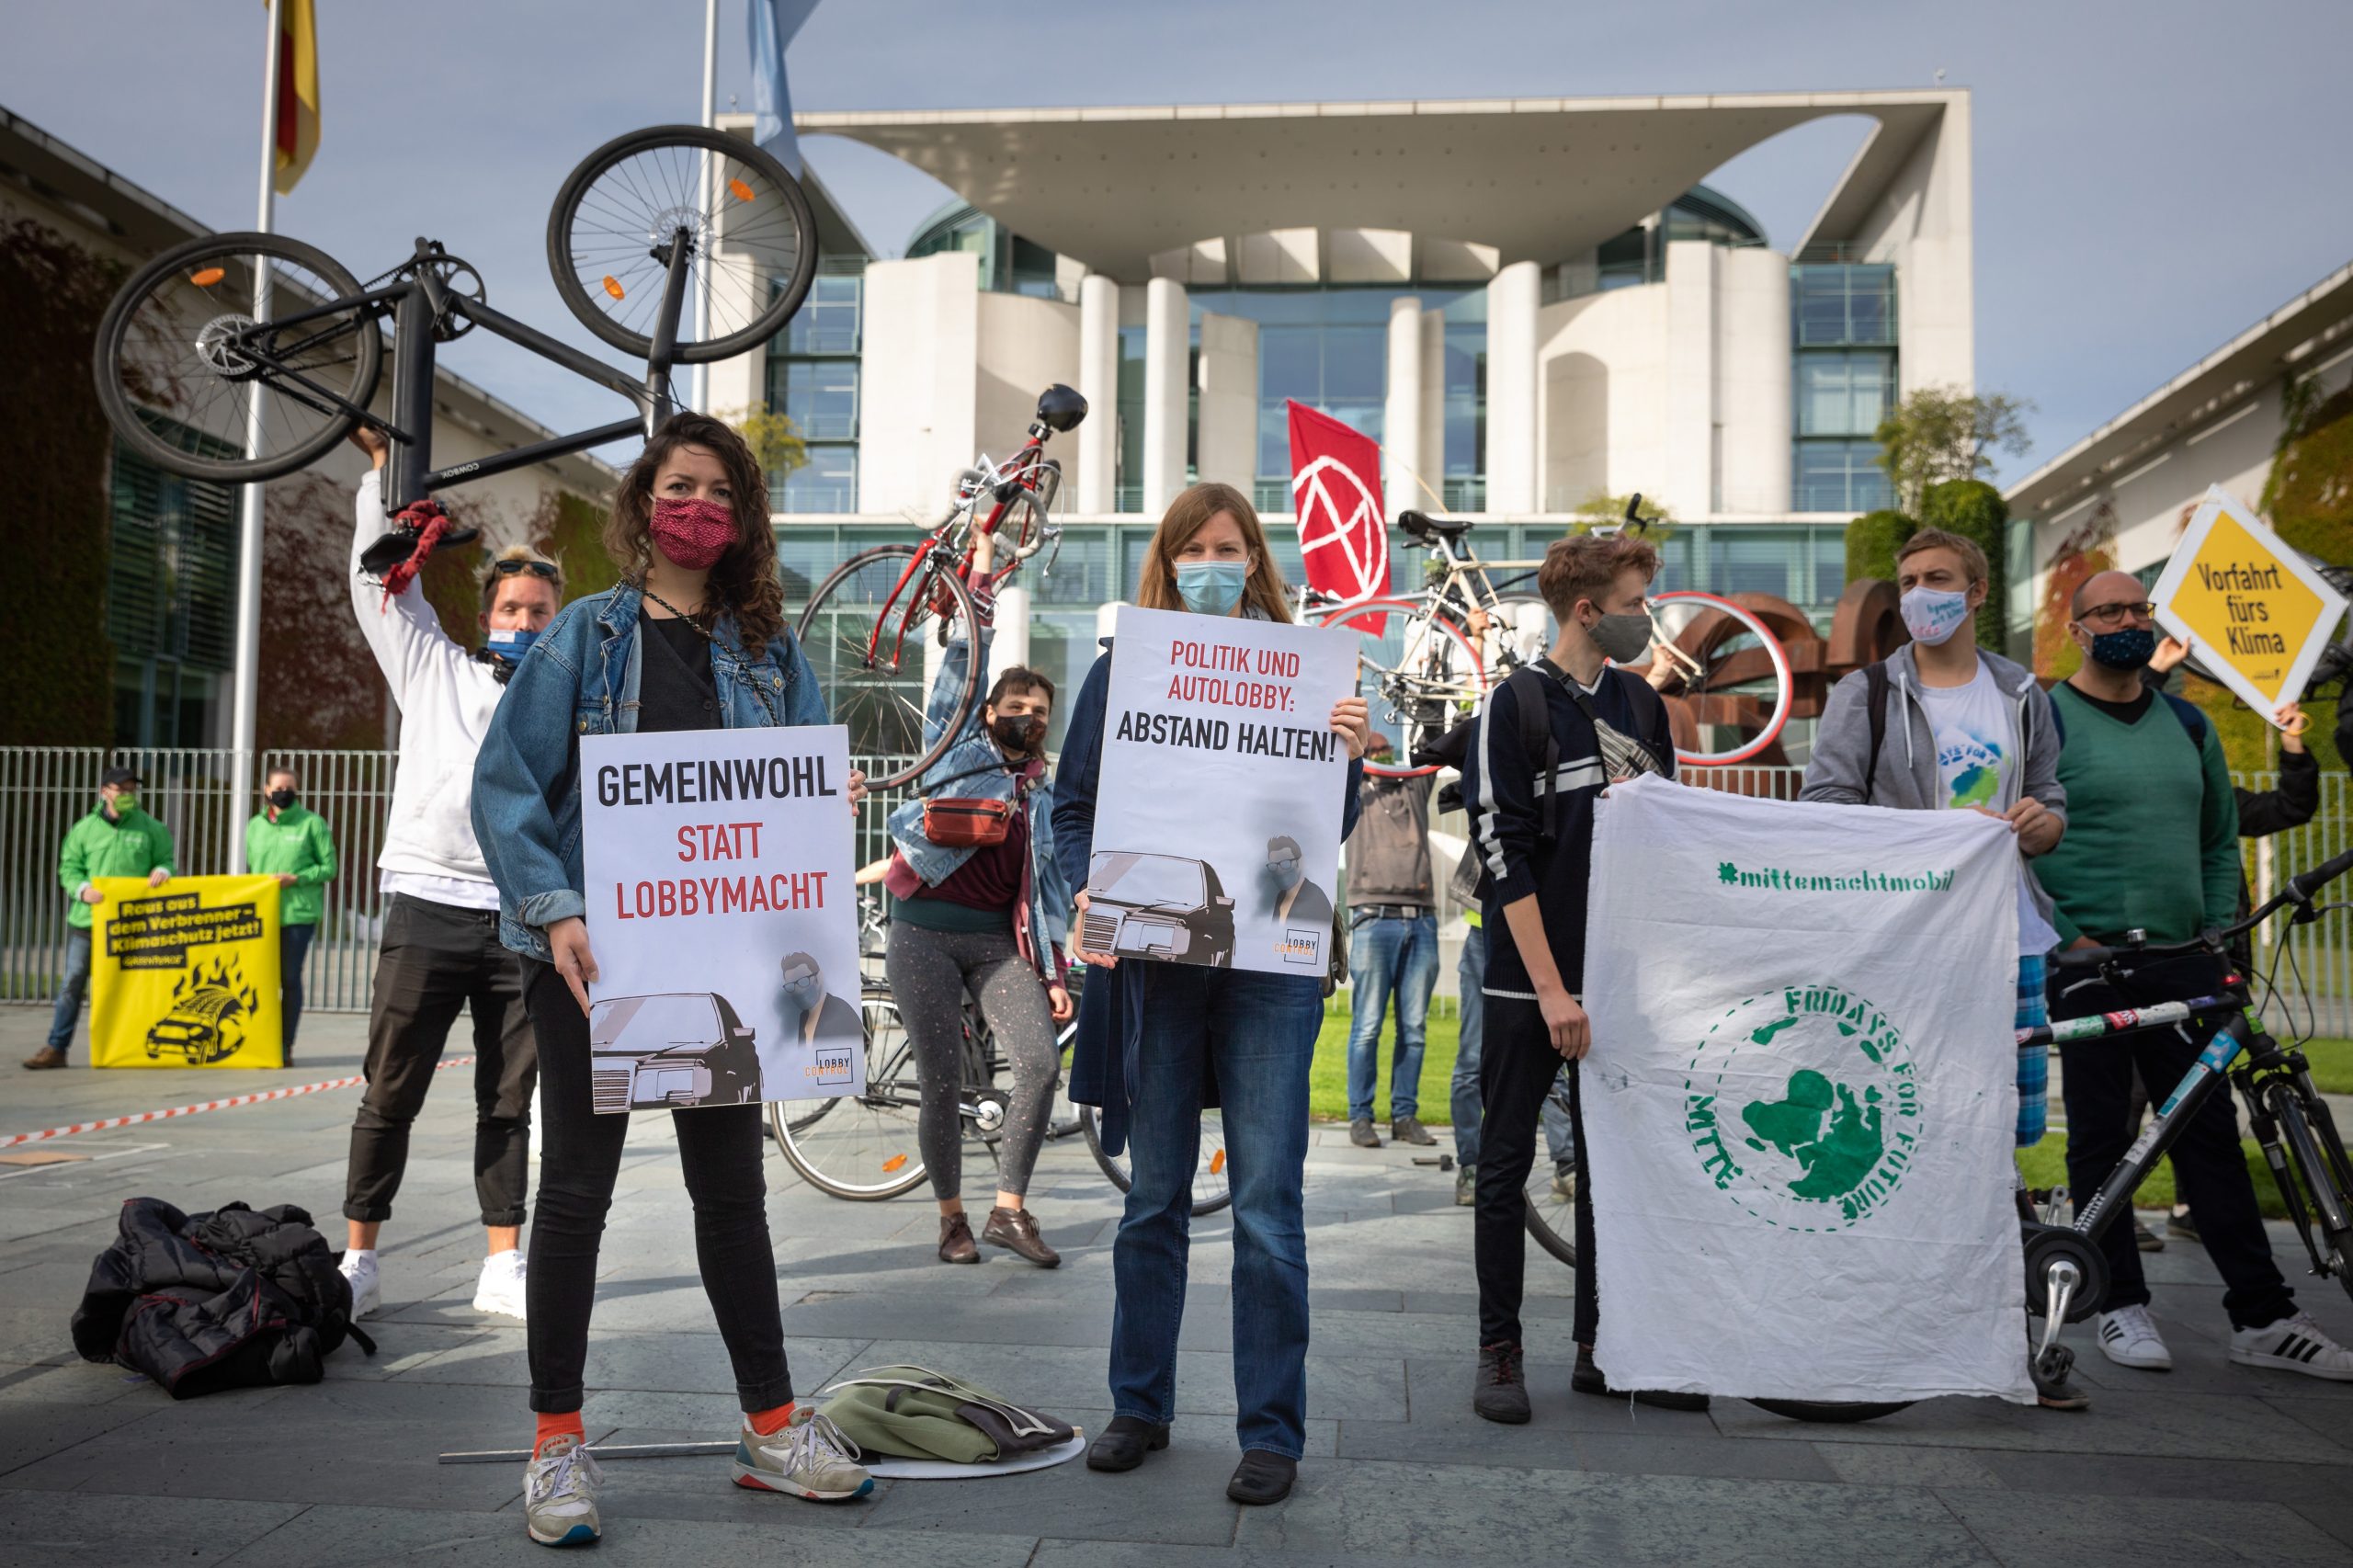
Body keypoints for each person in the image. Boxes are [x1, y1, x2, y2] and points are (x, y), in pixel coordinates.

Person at [472, 412, 873, 1547]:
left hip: (723, 966)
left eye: (718, 491)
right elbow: (507, 785)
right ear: (645, 502)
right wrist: (553, 910)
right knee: (577, 1197)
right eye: (677, 484)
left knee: (732, 1197)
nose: (695, 504)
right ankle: (555, 1443)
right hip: (593, 956)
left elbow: (789, 794)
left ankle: (774, 1425)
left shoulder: (770, 650)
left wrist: (816, 803)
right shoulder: (585, 638)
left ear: (740, 520)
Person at [1053, 481, 1370, 1506]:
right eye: (1192, 547)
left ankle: (1270, 1429)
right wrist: (1085, 886)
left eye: (1228, 545)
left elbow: (1324, 824)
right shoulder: (1121, 672)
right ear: (1166, 560)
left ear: (1257, 559)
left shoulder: (1306, 676)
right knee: (1153, 1198)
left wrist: (1348, 754)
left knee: (1270, 1203)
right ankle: (1138, 1404)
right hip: (1158, 960)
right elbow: (1071, 810)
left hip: (1270, 970)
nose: (1211, 562)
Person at [2036, 571, 2353, 1381]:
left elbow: (2218, 840)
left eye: (2138, 610)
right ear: (2078, 630)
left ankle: (2264, 1316)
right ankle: (2120, 1306)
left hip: (2187, 963)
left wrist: (2217, 929)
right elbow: (2015, 836)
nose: (2127, 621)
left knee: (2210, 1138)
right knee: (2104, 1140)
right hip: (2089, 961)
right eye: (2108, 611)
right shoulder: (2043, 716)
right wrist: (2066, 938)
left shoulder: (2188, 722)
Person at [1797, 527, 2085, 1409]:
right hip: (1909, 956)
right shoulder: (1868, 694)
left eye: (1940, 579)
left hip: (2008, 943)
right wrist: (1922, 852)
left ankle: (1992, 1332)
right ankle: (1877, 1321)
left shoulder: (2021, 692)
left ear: (1978, 590)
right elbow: (1826, 808)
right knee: (1902, 1134)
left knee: (1992, 1145)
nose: (1924, 593)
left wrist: (2044, 824)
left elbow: (2053, 796)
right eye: (1911, 580)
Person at [1457, 531, 1696, 1424]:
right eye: (1636, 604)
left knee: (1614, 1169)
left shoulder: (1642, 704)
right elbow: (1501, 857)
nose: (1648, 620)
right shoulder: (1513, 704)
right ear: (1588, 609)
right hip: (1530, 983)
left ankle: (1605, 1343)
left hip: (1623, 981)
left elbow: (1665, 837)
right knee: (1505, 1162)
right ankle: (1499, 1352)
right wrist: (1555, 991)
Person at [338, 427, 559, 1328]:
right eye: (512, 606)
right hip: (428, 898)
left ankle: (501, 1261)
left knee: (509, 1096)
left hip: (521, 916)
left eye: (542, 609)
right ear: (487, 614)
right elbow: (372, 580)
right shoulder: (433, 666)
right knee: (392, 1085)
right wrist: (380, 479)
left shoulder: (572, 701)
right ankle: (359, 1254)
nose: (525, 620)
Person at [881, 531, 1075, 1267]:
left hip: (998, 946)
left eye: (1040, 710)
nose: (1027, 715)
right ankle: (951, 1219)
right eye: (1015, 704)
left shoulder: (1045, 794)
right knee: (941, 1082)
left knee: (1038, 1062)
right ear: (989, 711)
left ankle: (1008, 1211)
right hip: (922, 933)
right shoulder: (957, 747)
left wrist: (1054, 974)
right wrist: (982, 579)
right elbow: (964, 660)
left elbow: (1049, 891)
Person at [25, 767, 172, 1070]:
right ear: (105, 791)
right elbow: (69, 868)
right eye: (122, 790)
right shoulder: (84, 829)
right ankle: (57, 1047)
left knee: (132, 987)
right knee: (72, 983)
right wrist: (82, 889)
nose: (128, 795)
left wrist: (164, 871)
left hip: (132, 925)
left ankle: (133, 1048)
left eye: (132, 790)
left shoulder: (152, 828)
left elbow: (165, 859)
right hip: (88, 922)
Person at [1343, 741, 1439, 1150]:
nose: (1381, 758)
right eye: (1374, 751)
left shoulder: (1413, 789)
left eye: (1386, 751)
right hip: (1372, 918)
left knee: (1414, 1029)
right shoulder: (1359, 791)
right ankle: (1360, 1116)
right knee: (1366, 1027)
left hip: (1420, 919)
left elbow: (1433, 749)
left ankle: (1404, 1114)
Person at [244, 765, 337, 1064]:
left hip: (298, 914)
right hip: (263, 914)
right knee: (261, 978)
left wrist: (296, 878)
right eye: (278, 788)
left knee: (289, 977)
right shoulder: (255, 826)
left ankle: (286, 1044)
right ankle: (262, 1039)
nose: (283, 793)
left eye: (289, 788)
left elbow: (329, 868)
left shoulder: (312, 824)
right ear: (266, 790)